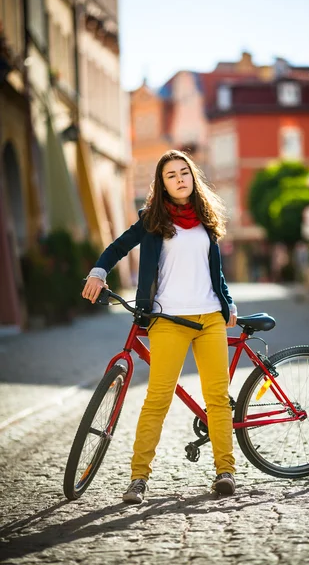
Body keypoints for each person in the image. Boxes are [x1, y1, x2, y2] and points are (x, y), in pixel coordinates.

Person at [82, 149, 238, 505]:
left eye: (185, 172)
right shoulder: (152, 221)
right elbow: (118, 247)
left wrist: (227, 301)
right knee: (157, 400)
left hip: (210, 319)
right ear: (162, 183)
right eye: (172, 175)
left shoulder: (205, 217)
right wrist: (98, 271)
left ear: (192, 177)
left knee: (217, 399)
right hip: (168, 321)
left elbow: (214, 271)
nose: (180, 178)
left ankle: (225, 472)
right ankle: (138, 479)